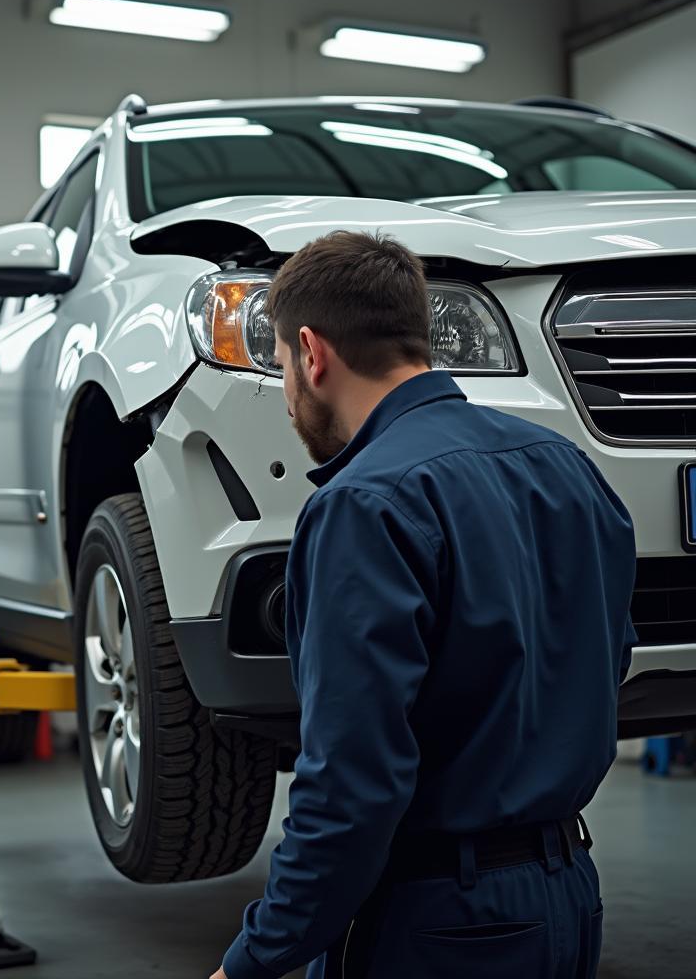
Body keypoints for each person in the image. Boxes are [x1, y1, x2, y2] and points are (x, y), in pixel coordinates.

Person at [210, 231, 636, 979]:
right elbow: (610, 659)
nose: (286, 394)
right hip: (569, 897)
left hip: (435, 920)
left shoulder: (363, 505)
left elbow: (349, 786)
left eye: (279, 366)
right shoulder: (567, 469)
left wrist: (253, 960)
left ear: (312, 353)